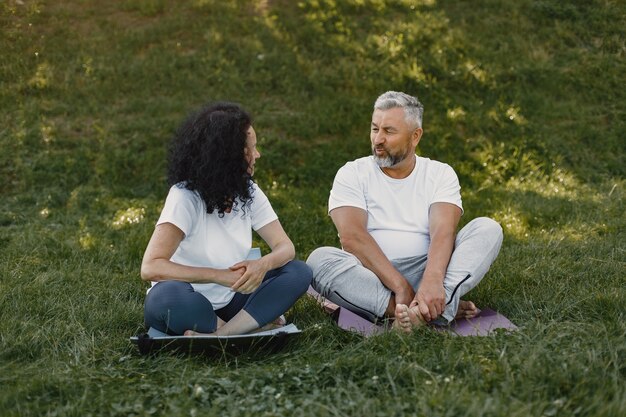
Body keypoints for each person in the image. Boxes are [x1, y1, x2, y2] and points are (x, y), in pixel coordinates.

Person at [306, 91, 503, 332]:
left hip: (429, 268)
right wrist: (400, 286)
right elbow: (352, 238)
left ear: (415, 136)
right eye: (374, 128)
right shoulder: (352, 173)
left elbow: (443, 231)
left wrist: (432, 280)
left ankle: (425, 308)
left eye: (389, 131)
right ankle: (422, 311)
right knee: (318, 260)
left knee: (488, 228)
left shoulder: (440, 173)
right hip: (371, 275)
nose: (378, 139)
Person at [141, 102, 312, 336]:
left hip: (233, 298)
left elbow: (285, 248)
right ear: (227, 157)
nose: (257, 154)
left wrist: (261, 265)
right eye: (250, 149)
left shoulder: (249, 192)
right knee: (165, 299)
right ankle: (249, 326)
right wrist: (217, 276)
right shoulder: (184, 197)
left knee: (298, 272)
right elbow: (151, 267)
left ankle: (222, 334)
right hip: (187, 299)